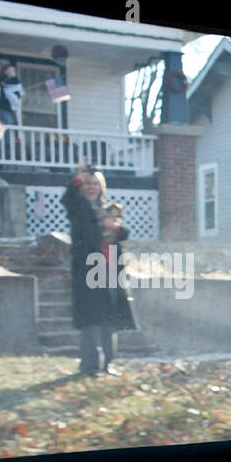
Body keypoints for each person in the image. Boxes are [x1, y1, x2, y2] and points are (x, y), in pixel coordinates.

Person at [61, 157, 136, 376]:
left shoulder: (106, 210)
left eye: (95, 183)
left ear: (101, 187)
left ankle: (108, 364)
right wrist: (78, 177)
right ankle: (90, 366)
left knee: (109, 319)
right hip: (88, 270)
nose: (91, 187)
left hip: (110, 269)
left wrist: (114, 227)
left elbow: (123, 234)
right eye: (87, 183)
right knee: (91, 319)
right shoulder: (79, 207)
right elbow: (68, 198)